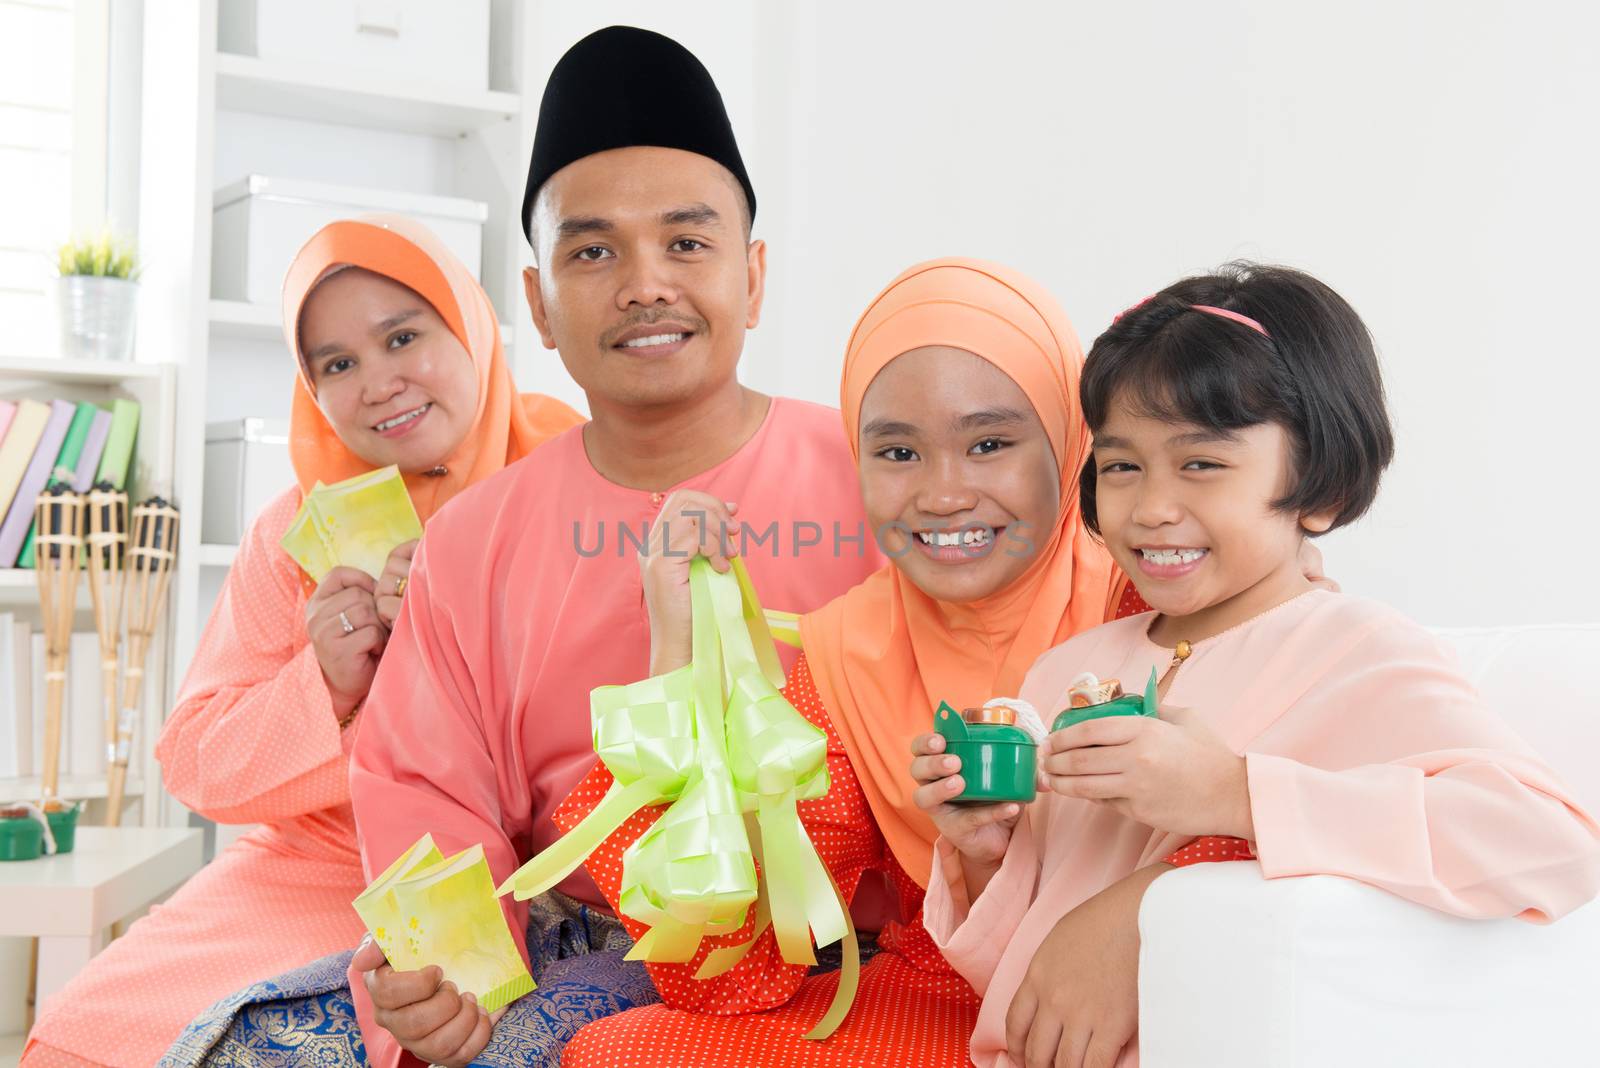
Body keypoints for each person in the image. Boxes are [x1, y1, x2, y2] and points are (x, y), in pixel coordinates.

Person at [339, 27, 886, 1068]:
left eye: (687, 243)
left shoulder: (881, 475)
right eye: (593, 251)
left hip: (857, 960)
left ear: (753, 278)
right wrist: (451, 978)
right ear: (540, 303)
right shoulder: (471, 541)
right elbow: (425, 794)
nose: (645, 284)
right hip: (586, 964)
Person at [916, 263, 1600, 1068]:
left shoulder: (1354, 650)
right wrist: (983, 850)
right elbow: (1025, 986)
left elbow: (1549, 846)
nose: (1151, 507)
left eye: (1201, 464)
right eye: (1122, 464)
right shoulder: (1069, 668)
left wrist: (1229, 794)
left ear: (1321, 485)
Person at [555, 258, 1181, 1067]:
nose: (943, 494)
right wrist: (674, 653)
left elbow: (1278, 802)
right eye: (897, 453)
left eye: (989, 443)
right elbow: (730, 975)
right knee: (621, 1052)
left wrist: (1127, 920)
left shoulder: (1154, 602)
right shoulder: (850, 655)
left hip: (1142, 993)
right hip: (939, 1000)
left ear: (1071, 445)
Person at [22, 214, 580, 1068]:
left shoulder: (577, 486)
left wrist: (466, 620)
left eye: (403, 337)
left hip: (522, 873)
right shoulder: (296, 532)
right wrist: (326, 682)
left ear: (470, 328)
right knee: (80, 1036)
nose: (380, 382)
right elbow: (197, 761)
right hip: (317, 871)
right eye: (338, 364)